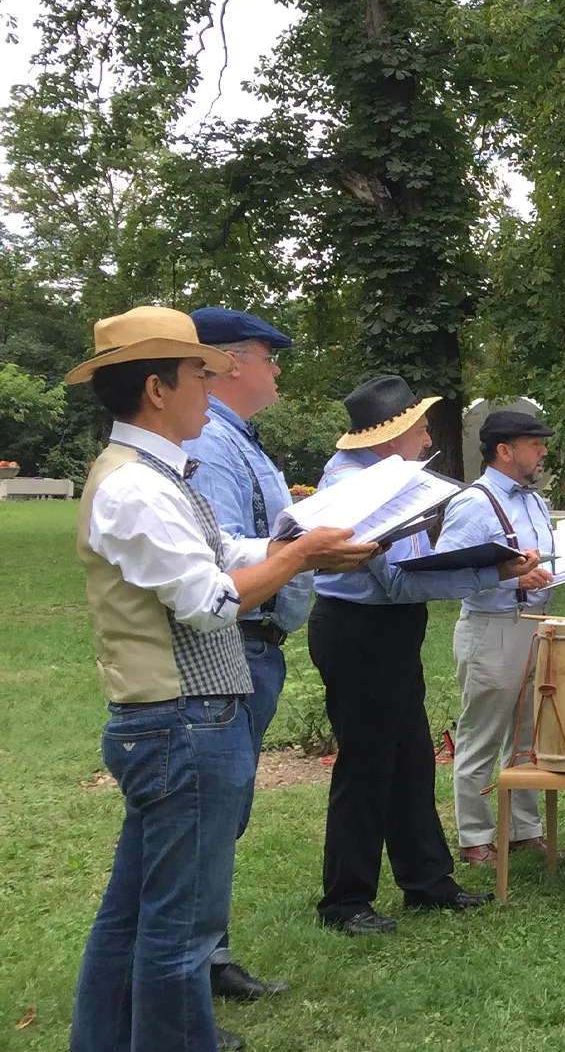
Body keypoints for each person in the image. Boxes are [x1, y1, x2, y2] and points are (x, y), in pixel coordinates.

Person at [66, 306, 376, 1052]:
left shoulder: (150, 476)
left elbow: (218, 548)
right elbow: (209, 602)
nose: (208, 389)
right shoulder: (138, 487)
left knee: (134, 915)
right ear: (156, 388)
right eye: (196, 375)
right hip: (183, 720)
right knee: (179, 933)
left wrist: (288, 543)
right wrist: (297, 559)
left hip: (171, 720)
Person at [308, 376, 543, 935]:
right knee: (366, 766)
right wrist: (493, 571)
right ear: (392, 435)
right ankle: (345, 901)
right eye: (420, 426)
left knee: (411, 758)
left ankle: (428, 883)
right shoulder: (356, 485)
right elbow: (393, 582)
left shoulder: (389, 476)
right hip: (358, 627)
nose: (427, 435)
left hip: (387, 629)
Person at [176, 306, 306, 1004]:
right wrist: (302, 544)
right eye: (267, 354)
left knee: (230, 805)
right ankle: (197, 963)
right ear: (228, 362)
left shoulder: (242, 441)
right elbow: (222, 547)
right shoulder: (218, 447)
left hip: (259, 641)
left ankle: (208, 954)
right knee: (215, 810)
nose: (276, 367)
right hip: (234, 641)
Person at [434, 410, 560, 865]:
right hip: (493, 628)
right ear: (505, 451)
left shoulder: (533, 501)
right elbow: (447, 571)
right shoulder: (475, 503)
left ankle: (524, 828)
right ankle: (474, 837)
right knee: (482, 735)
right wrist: (512, 582)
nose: (543, 451)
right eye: (534, 443)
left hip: (537, 625)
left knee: (529, 732)